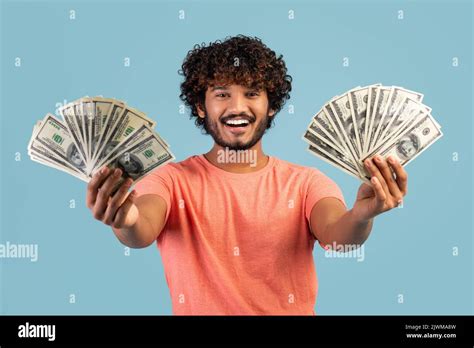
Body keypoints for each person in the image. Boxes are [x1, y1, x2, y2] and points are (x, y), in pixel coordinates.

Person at [85, 35, 408, 315]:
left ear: (271, 106)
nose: (237, 106)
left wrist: (363, 216)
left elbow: (338, 239)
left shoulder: (307, 182)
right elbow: (141, 231)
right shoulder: (170, 180)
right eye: (222, 94)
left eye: (252, 93)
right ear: (201, 107)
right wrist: (124, 219)